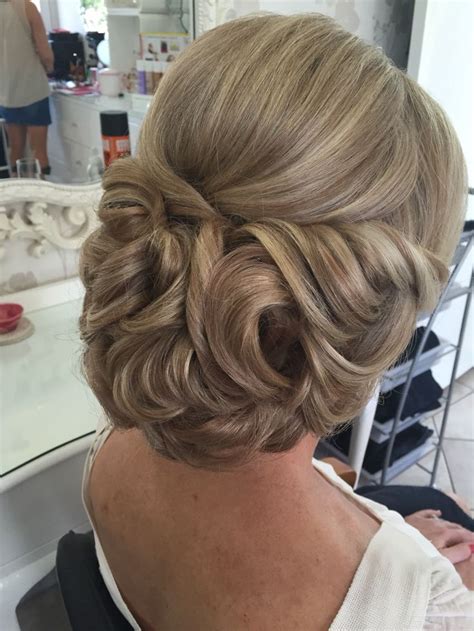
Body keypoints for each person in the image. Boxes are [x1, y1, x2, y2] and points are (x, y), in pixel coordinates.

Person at [80, 14, 473, 630]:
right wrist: (415, 571)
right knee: (453, 510)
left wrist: (388, 534)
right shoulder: (430, 609)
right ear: (375, 304)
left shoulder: (116, 442)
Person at [0, 0, 54, 176]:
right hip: (32, 87)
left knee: (16, 149)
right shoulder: (27, 7)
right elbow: (45, 52)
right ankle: (42, 198)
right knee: (39, 151)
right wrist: (50, 68)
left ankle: (20, 197)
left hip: (6, 91)